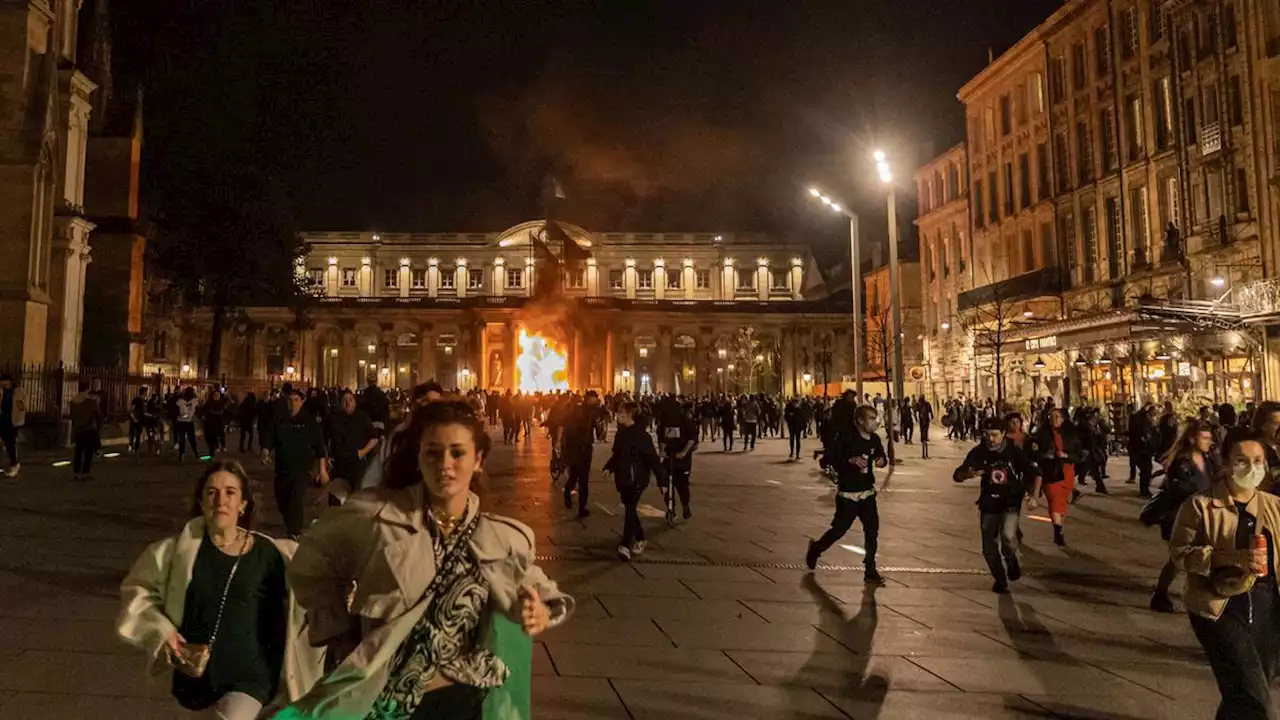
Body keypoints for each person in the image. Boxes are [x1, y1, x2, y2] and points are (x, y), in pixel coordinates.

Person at [282, 401, 574, 718]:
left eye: (457, 453)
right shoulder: (376, 517)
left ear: (478, 460)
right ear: (419, 458)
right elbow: (311, 562)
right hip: (387, 698)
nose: (444, 465)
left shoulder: (500, 536)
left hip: (466, 697)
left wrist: (540, 610)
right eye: (433, 453)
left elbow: (533, 583)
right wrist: (338, 629)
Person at [116, 461, 323, 718]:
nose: (220, 500)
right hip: (193, 677)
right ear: (201, 502)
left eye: (230, 492)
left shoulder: (271, 554)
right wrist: (162, 633)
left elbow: (318, 582)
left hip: (251, 679)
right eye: (211, 492)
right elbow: (138, 593)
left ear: (243, 504)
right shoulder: (173, 552)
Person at [1170, 431, 1280, 719]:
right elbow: (1180, 553)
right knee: (1257, 702)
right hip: (1219, 607)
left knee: (1244, 691)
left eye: (1258, 460)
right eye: (1242, 460)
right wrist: (1228, 557)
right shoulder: (1200, 506)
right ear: (1226, 461)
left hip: (1267, 606)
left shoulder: (1273, 507)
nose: (1252, 467)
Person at [953, 417, 1041, 593]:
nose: (990, 439)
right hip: (988, 504)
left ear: (1003, 434)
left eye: (994, 435)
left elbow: (1035, 472)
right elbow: (958, 474)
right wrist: (969, 474)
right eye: (986, 435)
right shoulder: (980, 452)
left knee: (1008, 537)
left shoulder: (1013, 451)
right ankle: (1000, 579)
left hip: (1010, 502)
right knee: (989, 548)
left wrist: (1033, 496)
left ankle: (1010, 559)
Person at [806, 398, 888, 586]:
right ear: (860, 420)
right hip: (848, 494)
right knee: (839, 530)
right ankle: (816, 548)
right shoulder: (845, 438)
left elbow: (881, 457)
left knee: (872, 532)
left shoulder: (875, 439)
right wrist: (849, 461)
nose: (875, 422)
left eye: (876, 418)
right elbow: (826, 461)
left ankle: (870, 569)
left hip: (867, 493)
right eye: (871, 418)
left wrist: (881, 461)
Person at [1150, 419, 1218, 613]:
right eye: (1204, 438)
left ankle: (1203, 593)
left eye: (1209, 438)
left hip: (1203, 515)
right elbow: (1177, 488)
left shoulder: (1207, 459)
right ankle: (1160, 594)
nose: (1208, 441)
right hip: (1181, 516)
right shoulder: (1182, 461)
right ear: (1192, 438)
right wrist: (1200, 495)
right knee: (1178, 559)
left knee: (1200, 555)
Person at [605, 401, 667, 560]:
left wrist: (662, 481)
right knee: (630, 508)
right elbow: (618, 454)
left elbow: (652, 459)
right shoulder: (621, 433)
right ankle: (640, 538)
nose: (618, 415)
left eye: (621, 412)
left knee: (630, 507)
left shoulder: (642, 436)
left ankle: (625, 544)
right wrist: (610, 466)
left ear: (630, 415)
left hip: (637, 478)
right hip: (623, 478)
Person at [271, 389, 328, 539]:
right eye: (290, 400)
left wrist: (322, 469)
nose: (292, 403)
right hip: (282, 470)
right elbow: (272, 439)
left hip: (302, 470)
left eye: (296, 400)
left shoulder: (309, 421)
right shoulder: (280, 420)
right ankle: (291, 525)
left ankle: (294, 532)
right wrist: (265, 451)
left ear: (302, 402)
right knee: (282, 502)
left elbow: (320, 446)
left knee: (296, 501)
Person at [1032, 407, 1083, 546]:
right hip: (1051, 472)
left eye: (1057, 416)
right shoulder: (1042, 434)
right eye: (1051, 416)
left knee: (1062, 505)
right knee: (1054, 502)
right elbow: (1034, 452)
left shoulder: (1071, 435)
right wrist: (1045, 456)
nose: (1054, 419)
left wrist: (1066, 455)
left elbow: (1078, 456)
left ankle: (1059, 526)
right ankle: (1057, 530)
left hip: (1067, 472)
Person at [324, 389, 378, 506]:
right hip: (339, 467)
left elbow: (374, 438)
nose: (348, 403)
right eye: (344, 400)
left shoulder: (362, 417)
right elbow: (324, 440)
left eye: (350, 400)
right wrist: (326, 460)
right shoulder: (332, 419)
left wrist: (362, 453)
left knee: (356, 502)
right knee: (335, 503)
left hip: (358, 465)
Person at [559, 391, 602, 518]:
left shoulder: (593, 411)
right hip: (576, 448)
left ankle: (575, 500)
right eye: (594, 399)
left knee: (578, 476)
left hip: (586, 448)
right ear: (588, 399)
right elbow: (564, 425)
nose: (596, 401)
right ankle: (579, 505)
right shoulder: (577, 411)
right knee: (581, 477)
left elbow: (596, 428)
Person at [661, 400, 699, 519]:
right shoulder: (664, 422)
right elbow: (662, 438)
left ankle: (685, 506)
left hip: (682, 459)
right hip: (669, 458)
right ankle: (670, 507)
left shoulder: (685, 421)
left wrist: (683, 452)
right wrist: (662, 451)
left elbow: (692, 439)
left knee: (682, 484)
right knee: (666, 484)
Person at [68, 380, 102, 481]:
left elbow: (72, 416)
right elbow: (97, 414)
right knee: (88, 452)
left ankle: (76, 473)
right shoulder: (90, 402)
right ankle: (85, 473)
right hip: (90, 429)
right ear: (87, 389)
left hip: (79, 429)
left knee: (78, 452)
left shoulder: (73, 402)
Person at [0, 373, 24, 477]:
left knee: (10, 444)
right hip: (1, 420)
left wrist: (18, 420)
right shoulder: (1, 391)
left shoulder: (17, 391)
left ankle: (14, 464)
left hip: (11, 421)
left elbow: (21, 407)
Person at [201, 388, 229, 456]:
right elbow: (202, 411)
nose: (216, 396)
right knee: (209, 438)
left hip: (218, 424)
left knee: (218, 436)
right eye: (215, 395)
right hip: (209, 424)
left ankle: (216, 449)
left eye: (218, 395)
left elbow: (223, 412)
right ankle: (213, 449)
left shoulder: (221, 404)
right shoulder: (208, 404)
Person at [175, 386, 200, 462]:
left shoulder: (194, 401)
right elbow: (176, 411)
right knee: (183, 439)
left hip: (188, 422)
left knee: (190, 439)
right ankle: (182, 454)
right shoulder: (180, 402)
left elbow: (197, 411)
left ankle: (195, 453)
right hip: (182, 422)